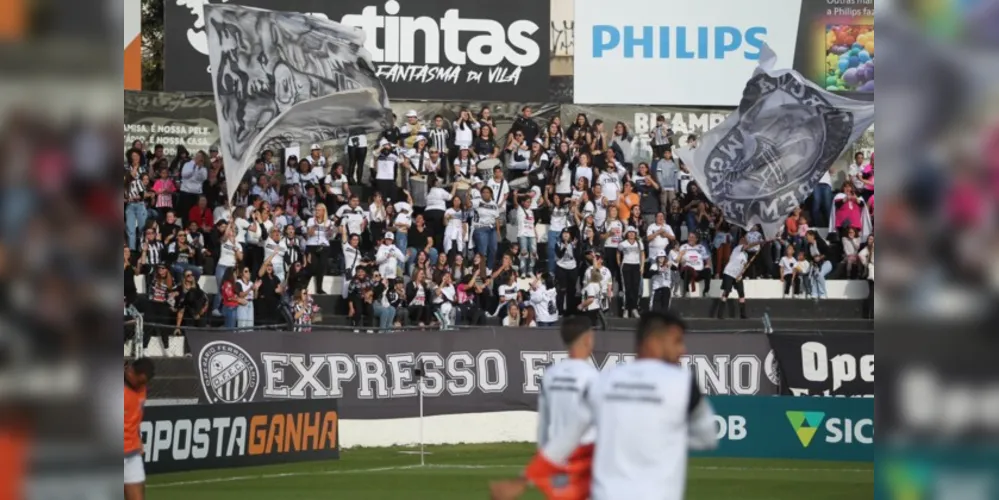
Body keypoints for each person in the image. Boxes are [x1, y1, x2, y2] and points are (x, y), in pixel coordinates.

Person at [493, 312, 718, 500]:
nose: (683, 350)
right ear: (654, 342)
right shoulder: (683, 383)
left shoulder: (605, 381)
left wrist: (523, 480)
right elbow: (708, 438)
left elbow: (566, 437)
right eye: (677, 341)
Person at [125, 358, 155, 500]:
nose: (142, 385)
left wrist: (138, 438)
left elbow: (135, 417)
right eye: (140, 381)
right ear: (131, 372)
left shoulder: (141, 389)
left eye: (145, 382)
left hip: (132, 452)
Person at [713, 235, 764, 319]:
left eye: (745, 240)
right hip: (729, 273)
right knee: (727, 292)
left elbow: (743, 266)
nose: (744, 241)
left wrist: (741, 274)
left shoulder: (745, 255)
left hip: (738, 275)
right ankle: (720, 314)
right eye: (743, 240)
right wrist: (758, 242)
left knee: (741, 293)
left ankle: (742, 314)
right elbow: (748, 246)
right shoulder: (738, 248)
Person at [617, 227, 645, 319]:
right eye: (630, 232)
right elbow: (618, 253)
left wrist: (642, 266)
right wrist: (619, 263)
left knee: (635, 287)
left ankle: (634, 308)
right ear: (627, 234)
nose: (632, 234)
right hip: (626, 266)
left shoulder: (639, 243)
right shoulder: (622, 244)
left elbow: (642, 254)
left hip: (636, 265)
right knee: (627, 288)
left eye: (633, 232)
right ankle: (626, 309)